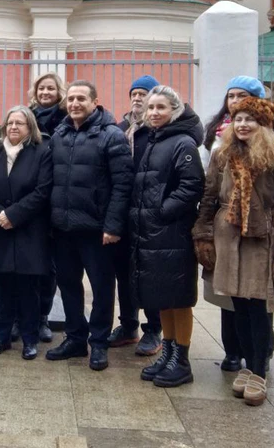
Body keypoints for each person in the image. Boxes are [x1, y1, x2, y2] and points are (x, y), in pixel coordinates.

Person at [192, 97, 274, 405]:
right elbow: (209, 197)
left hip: (262, 239)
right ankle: (244, 364)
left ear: (265, 125)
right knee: (237, 306)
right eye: (237, 118)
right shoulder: (222, 155)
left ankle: (258, 370)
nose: (242, 124)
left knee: (259, 308)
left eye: (249, 120)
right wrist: (203, 235)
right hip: (227, 237)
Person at [200, 75, 274, 373]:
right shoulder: (220, 145)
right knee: (232, 300)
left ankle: (258, 364)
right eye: (231, 98)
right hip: (228, 231)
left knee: (258, 301)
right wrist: (204, 232)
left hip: (260, 234)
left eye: (243, 98)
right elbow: (210, 189)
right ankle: (235, 352)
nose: (236, 105)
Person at [46, 80, 133, 371]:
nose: (74, 104)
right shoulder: (59, 134)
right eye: (70, 99)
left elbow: (123, 185)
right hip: (63, 228)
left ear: (94, 102)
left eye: (81, 98)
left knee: (102, 288)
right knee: (68, 285)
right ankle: (74, 338)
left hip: (97, 230)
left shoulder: (111, 136)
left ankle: (98, 342)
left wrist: (113, 226)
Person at [128, 86, 205, 387]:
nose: (155, 113)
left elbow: (191, 187)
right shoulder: (156, 141)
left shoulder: (183, 143)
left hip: (172, 233)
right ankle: (169, 352)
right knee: (164, 296)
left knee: (179, 299)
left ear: (175, 111)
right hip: (153, 234)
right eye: (150, 108)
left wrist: (160, 212)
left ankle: (182, 361)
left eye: (161, 107)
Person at [0, 105, 53, 360]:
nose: (13, 127)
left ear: (29, 127)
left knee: (28, 290)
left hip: (29, 232)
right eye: (10, 123)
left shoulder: (41, 153)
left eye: (19, 123)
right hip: (0, 230)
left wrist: (13, 215)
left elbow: (42, 191)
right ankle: (1, 338)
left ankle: (29, 339)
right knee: (3, 288)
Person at [111, 74, 164, 356]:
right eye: (134, 93)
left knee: (149, 271)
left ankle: (153, 329)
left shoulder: (159, 131)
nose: (137, 97)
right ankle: (128, 324)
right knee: (123, 271)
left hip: (150, 214)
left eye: (143, 93)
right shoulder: (120, 129)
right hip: (123, 211)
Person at [28, 71, 68, 343]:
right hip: (29, 202)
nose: (45, 93)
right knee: (26, 264)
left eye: (50, 89)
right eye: (41, 89)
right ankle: (24, 317)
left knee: (50, 267)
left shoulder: (65, 120)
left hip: (55, 200)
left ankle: (42, 317)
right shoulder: (26, 117)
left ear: (58, 92)